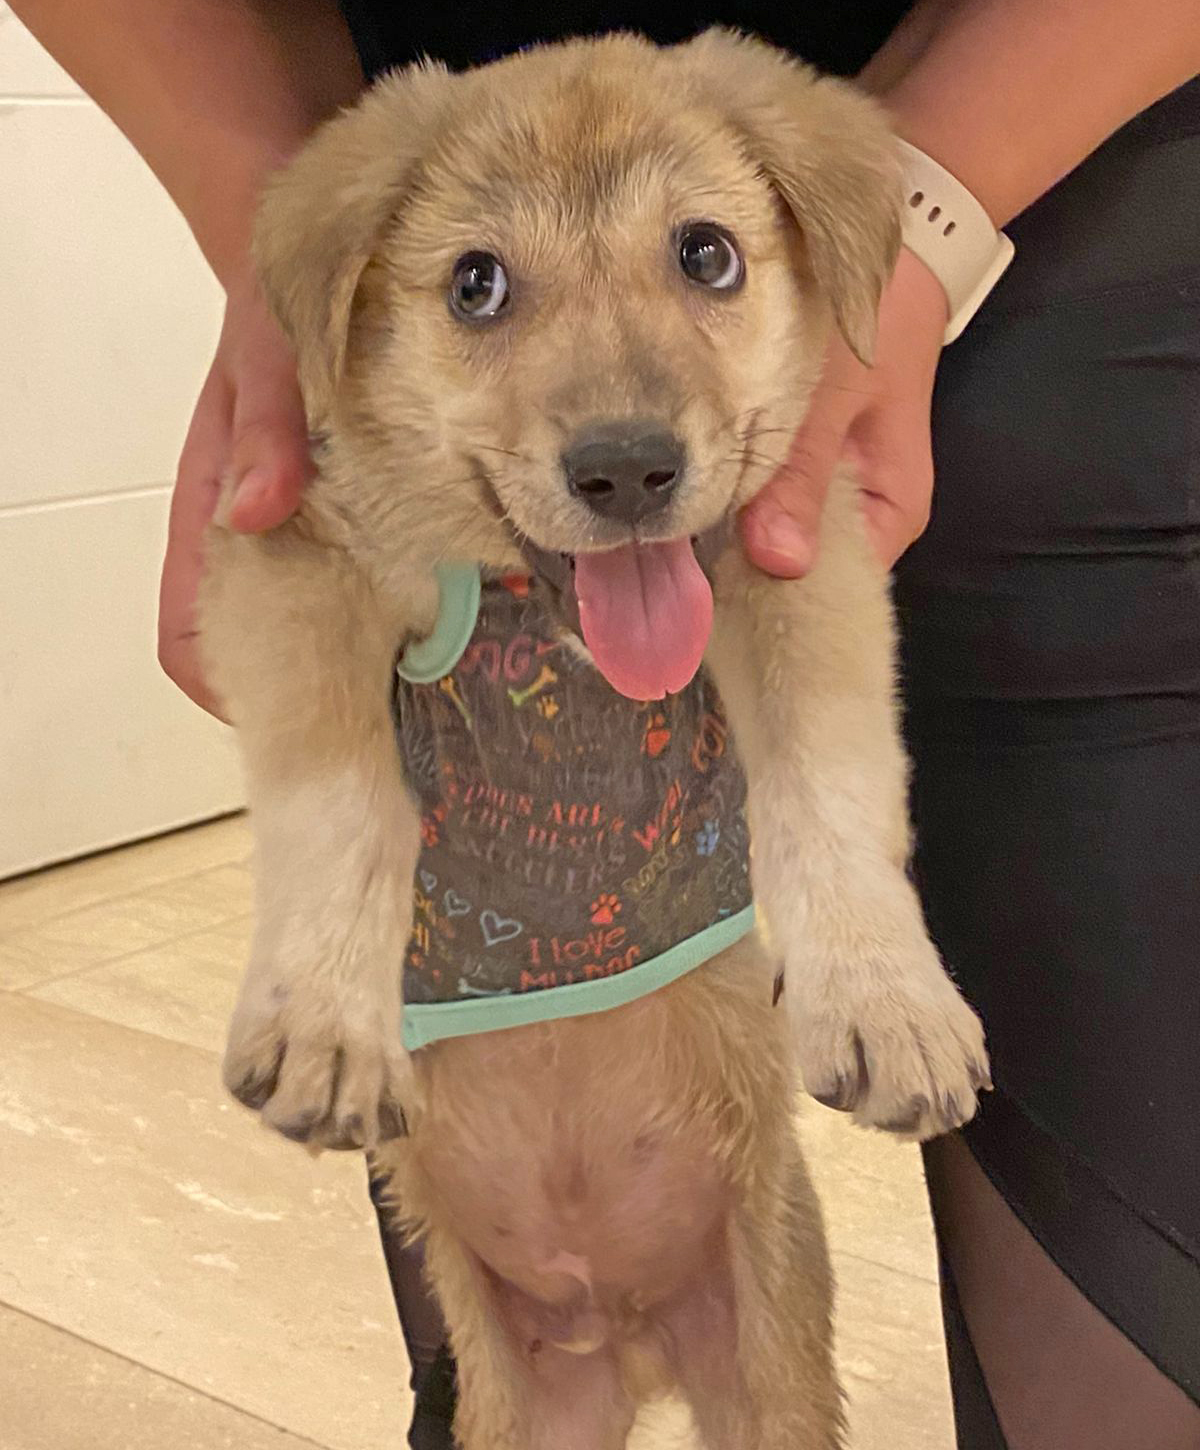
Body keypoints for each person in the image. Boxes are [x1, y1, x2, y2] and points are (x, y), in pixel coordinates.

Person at [13, 1, 1198, 1445]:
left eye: (698, 260)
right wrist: (263, 200)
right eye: (481, 291)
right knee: (510, 1374)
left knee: (1128, 1357)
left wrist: (925, 228)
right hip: (421, 89)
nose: (621, 413)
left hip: (1055, 118)